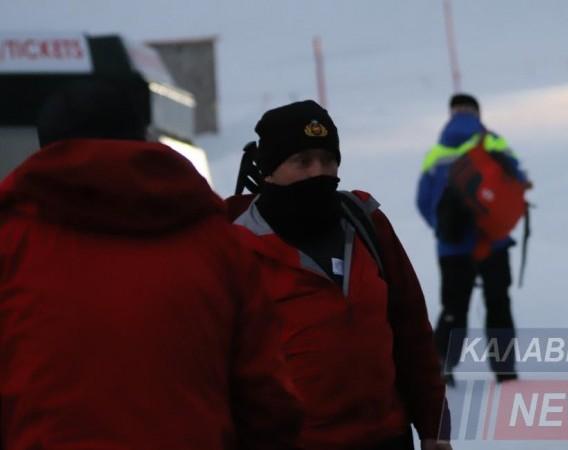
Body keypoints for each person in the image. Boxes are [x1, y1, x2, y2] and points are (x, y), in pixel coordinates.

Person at [0, 79, 302, 450]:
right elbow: (266, 401)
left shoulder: (12, 243)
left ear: (46, 147)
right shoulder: (219, 245)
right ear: (144, 138)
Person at [228, 100, 450, 450]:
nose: (319, 172)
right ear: (269, 170)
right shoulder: (234, 246)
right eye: (302, 162)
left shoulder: (365, 224)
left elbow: (412, 334)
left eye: (328, 160)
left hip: (387, 438)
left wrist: (435, 427)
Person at [416, 93, 530, 385]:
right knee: (498, 304)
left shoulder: (436, 151)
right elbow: (516, 178)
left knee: (454, 308)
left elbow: (423, 200)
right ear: (477, 113)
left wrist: (443, 228)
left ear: (451, 114)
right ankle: (505, 370)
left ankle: (443, 365)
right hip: (493, 240)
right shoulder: (492, 142)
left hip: (452, 245)